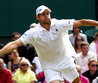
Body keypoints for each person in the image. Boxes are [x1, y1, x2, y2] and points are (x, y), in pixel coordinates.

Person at [1, 5, 98, 83]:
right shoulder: (33, 32)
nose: (46, 15)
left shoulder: (58, 24)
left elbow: (81, 22)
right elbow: (14, 44)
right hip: (49, 66)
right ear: (37, 17)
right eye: (43, 14)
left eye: (47, 13)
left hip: (66, 61)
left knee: (77, 81)